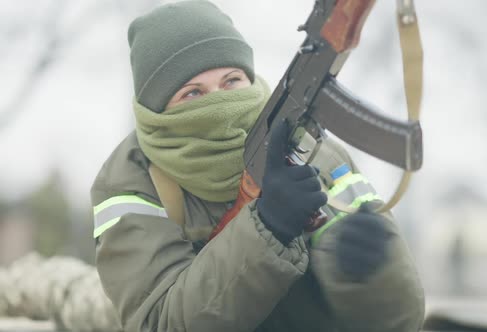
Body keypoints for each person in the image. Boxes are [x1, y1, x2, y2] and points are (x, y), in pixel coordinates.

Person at [91, 1, 425, 331]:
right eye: (193, 94)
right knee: (73, 297)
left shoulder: (318, 154)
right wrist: (267, 228)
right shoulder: (132, 180)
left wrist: (370, 275)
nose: (220, 103)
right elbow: (159, 323)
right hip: (112, 308)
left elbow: (401, 321)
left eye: (232, 80)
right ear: (156, 111)